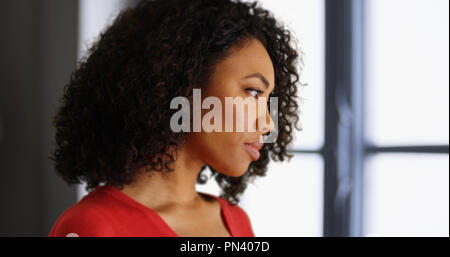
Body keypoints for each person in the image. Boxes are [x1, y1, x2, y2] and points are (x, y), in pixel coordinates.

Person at [48, 0, 302, 237]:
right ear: (184, 84)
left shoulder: (236, 223)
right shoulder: (92, 225)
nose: (268, 123)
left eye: (269, 100)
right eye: (254, 92)